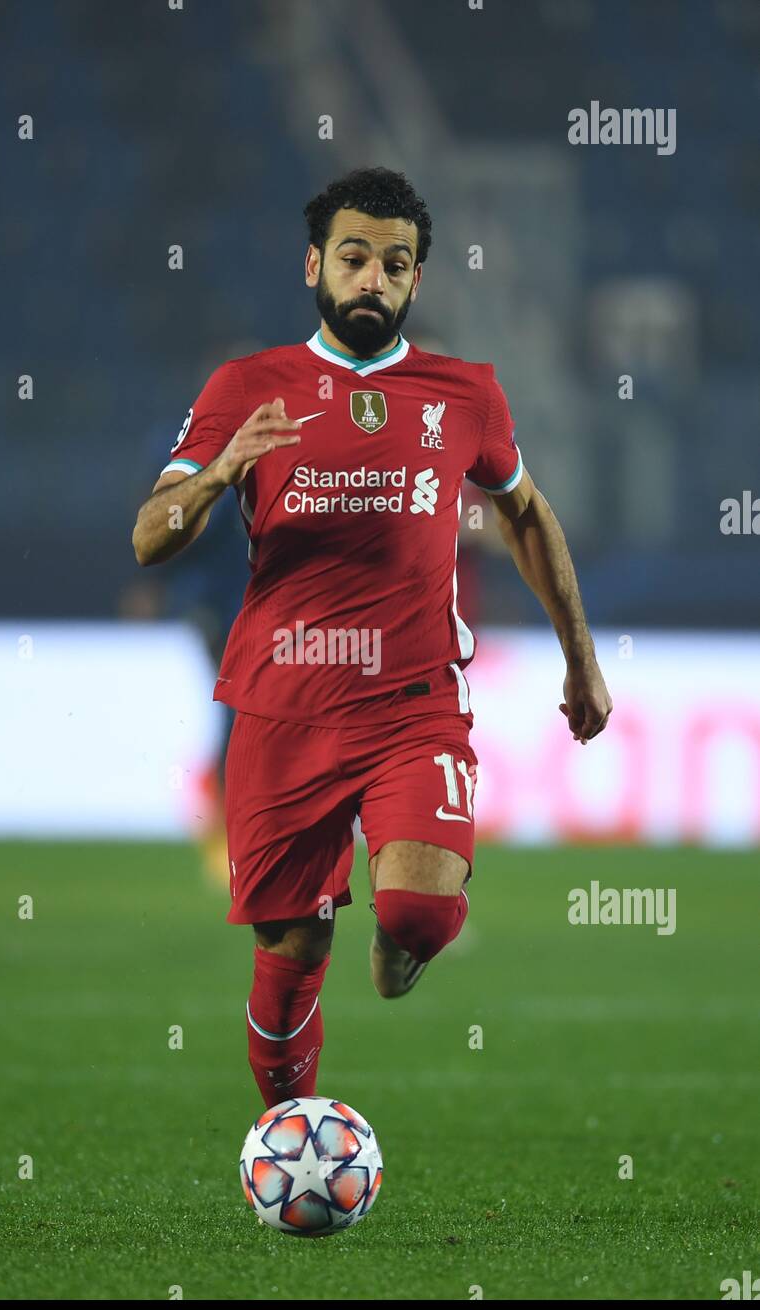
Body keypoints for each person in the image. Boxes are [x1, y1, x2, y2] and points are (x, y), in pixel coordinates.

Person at [132, 167, 612, 1106]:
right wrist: (223, 467)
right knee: (292, 947)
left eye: (396, 265)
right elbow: (151, 536)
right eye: (354, 258)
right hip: (283, 707)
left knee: (420, 913)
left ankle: (405, 939)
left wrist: (582, 661)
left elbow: (525, 514)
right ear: (315, 264)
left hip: (413, 705)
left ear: (415, 282)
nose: (373, 279)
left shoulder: (464, 393)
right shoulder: (247, 385)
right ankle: (290, 1135)